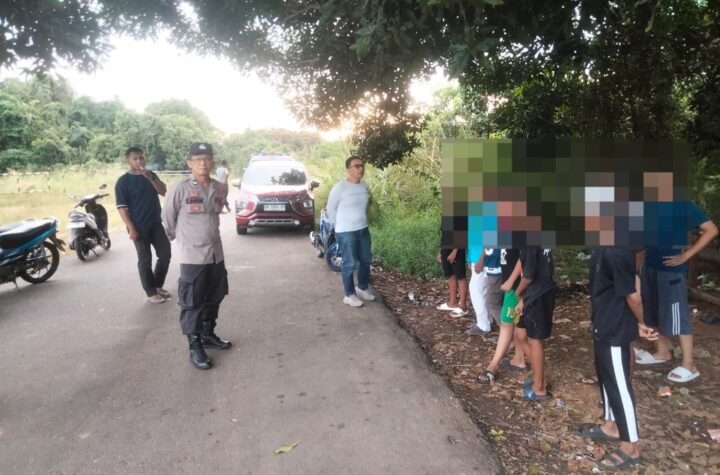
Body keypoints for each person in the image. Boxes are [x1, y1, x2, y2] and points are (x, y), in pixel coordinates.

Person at [634, 174, 718, 382]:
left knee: (678, 315)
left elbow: (711, 230)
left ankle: (690, 364)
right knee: (650, 310)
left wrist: (687, 255)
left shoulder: (682, 204)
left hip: (672, 270)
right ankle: (662, 352)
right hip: (649, 266)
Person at [580, 248, 659, 470]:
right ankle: (611, 425)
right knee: (606, 378)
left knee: (619, 386)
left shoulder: (619, 249)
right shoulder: (603, 245)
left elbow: (633, 296)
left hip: (615, 328)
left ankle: (630, 445)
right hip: (602, 322)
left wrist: (641, 322)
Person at [162, 142, 231, 370]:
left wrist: (225, 179)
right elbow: (168, 219)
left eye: (207, 158)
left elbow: (222, 201)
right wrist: (183, 240)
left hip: (215, 253)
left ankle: (208, 334)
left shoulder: (216, 187)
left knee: (215, 295)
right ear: (189, 163)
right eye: (198, 159)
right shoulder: (180, 188)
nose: (203, 163)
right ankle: (195, 345)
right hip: (192, 256)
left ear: (212, 162)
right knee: (192, 301)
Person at [115, 146, 172, 304]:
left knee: (165, 254)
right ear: (128, 161)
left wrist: (151, 178)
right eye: (135, 158)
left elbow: (164, 192)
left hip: (156, 223)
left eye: (141, 157)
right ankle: (151, 292)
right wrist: (131, 228)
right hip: (138, 226)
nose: (139, 161)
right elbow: (121, 208)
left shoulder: (151, 174)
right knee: (145, 259)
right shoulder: (123, 181)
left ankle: (157, 285)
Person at [327, 155, 375, 307]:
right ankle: (349, 295)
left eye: (362, 165)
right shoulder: (340, 187)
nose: (361, 168)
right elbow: (330, 208)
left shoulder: (364, 185)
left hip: (363, 229)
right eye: (357, 166)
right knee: (349, 263)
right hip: (346, 231)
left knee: (366, 260)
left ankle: (362, 288)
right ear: (349, 169)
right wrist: (338, 226)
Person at [475, 249, 529, 384]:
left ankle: (493, 366)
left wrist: (512, 283)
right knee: (517, 324)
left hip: (516, 287)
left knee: (506, 324)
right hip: (512, 285)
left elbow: (523, 258)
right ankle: (519, 359)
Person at [514, 249, 556, 401]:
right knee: (520, 335)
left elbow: (528, 277)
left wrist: (517, 293)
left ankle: (539, 388)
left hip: (538, 295)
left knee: (535, 340)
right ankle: (539, 377)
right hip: (531, 294)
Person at [437, 247, 468, 317]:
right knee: (450, 275)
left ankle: (463, 306)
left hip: (457, 250)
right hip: (446, 249)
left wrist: (454, 251)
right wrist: (441, 251)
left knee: (460, 276)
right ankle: (452, 303)